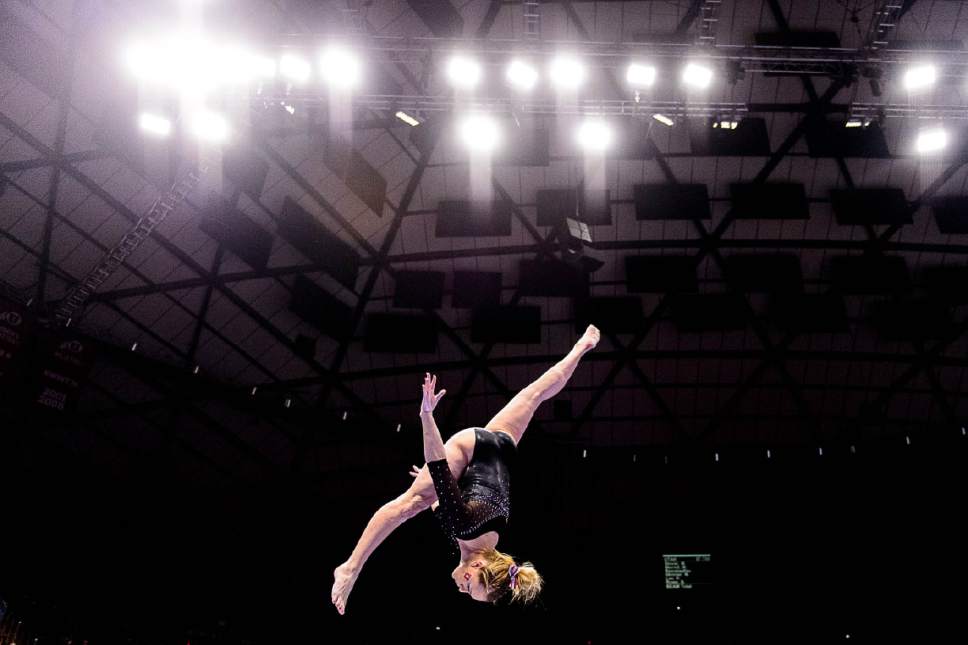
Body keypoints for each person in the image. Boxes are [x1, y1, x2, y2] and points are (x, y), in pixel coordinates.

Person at [331, 325, 601, 614]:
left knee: (534, 395)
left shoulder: (490, 541)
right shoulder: (462, 526)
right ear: (478, 565)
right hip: (470, 447)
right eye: (470, 588)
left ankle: (582, 347)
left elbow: (459, 497)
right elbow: (438, 466)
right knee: (409, 504)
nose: (462, 589)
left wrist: (433, 489)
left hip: (502, 446)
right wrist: (426, 416)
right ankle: (350, 568)